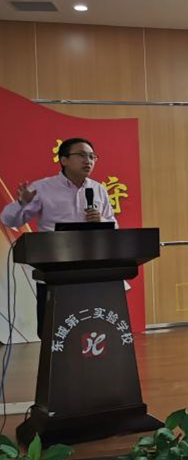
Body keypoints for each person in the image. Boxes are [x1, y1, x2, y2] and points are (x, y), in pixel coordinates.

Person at [1, 138, 117, 331]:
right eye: (81, 155)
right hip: (54, 269)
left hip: (91, 269)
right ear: (64, 160)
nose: (88, 161)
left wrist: (102, 220)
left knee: (90, 328)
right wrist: (21, 204)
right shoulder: (43, 188)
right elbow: (9, 220)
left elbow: (114, 226)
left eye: (92, 156)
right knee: (52, 329)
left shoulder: (98, 189)